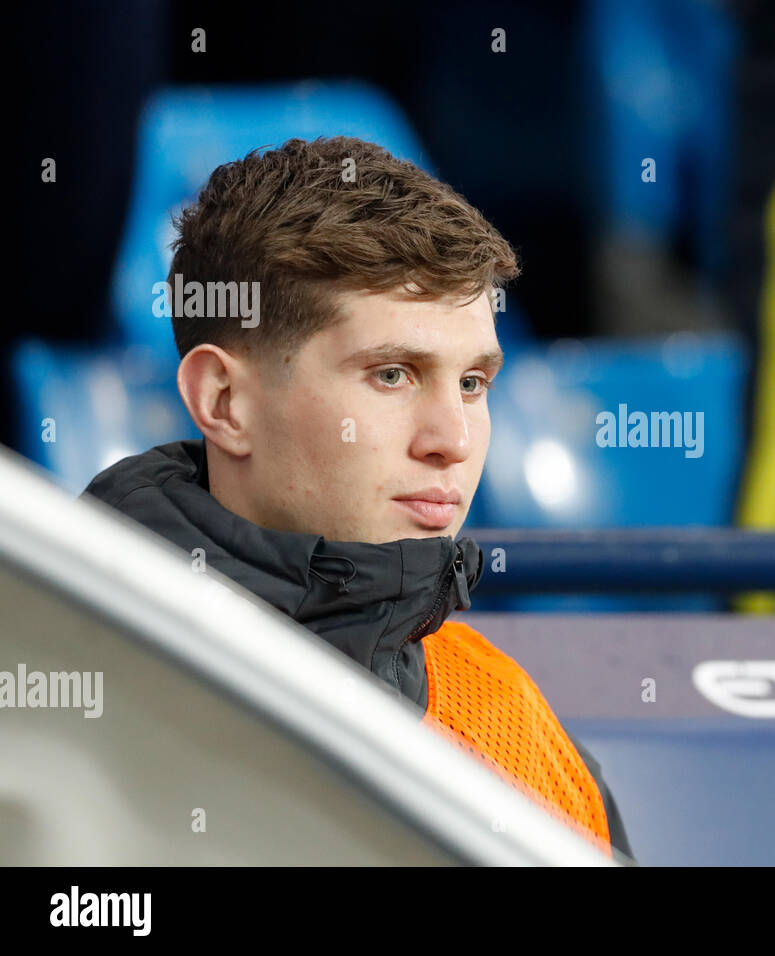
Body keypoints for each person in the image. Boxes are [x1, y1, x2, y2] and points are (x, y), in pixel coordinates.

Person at [81, 135, 633, 861]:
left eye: (473, 383)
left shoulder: (514, 723)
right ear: (223, 401)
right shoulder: (64, 703)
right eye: (394, 375)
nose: (453, 439)